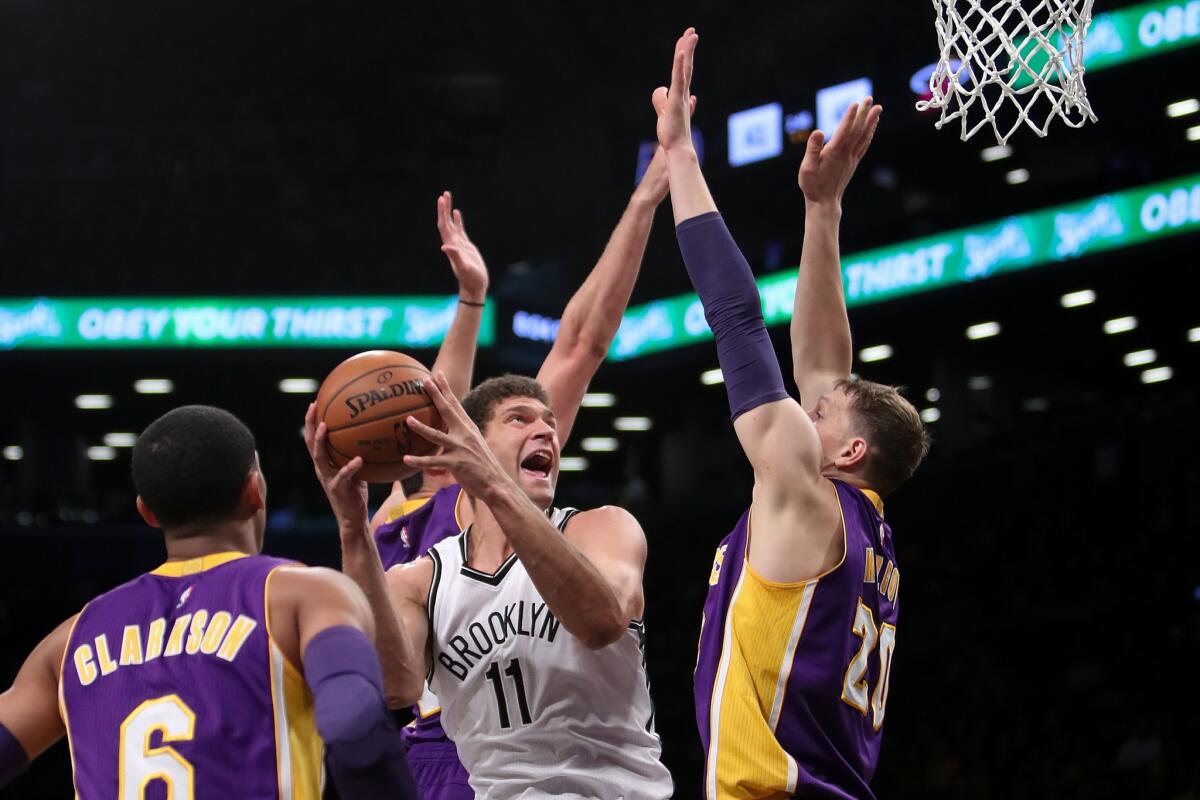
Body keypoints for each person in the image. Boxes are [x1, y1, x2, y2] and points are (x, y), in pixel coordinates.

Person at [651, 29, 930, 799]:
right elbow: (826, 365)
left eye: (822, 413)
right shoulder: (864, 530)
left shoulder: (806, 494)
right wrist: (823, 209)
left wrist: (679, 157)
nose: (808, 410)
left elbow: (736, 317)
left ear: (846, 452)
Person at [365, 153, 676, 798]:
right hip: (440, 749)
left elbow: (582, 343)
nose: (544, 431)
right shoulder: (390, 539)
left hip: (573, 751)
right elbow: (443, 398)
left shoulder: (506, 478)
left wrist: (642, 202)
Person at [0, 405, 417, 798]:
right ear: (255, 490)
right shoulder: (305, 596)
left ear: (147, 512)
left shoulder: (68, 641)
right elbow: (359, 725)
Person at [305, 371, 674, 799]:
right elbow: (393, 690)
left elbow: (601, 622)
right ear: (469, 443)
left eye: (549, 423)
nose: (546, 432)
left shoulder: (603, 528)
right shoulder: (419, 580)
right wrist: (352, 525)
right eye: (519, 419)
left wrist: (493, 484)